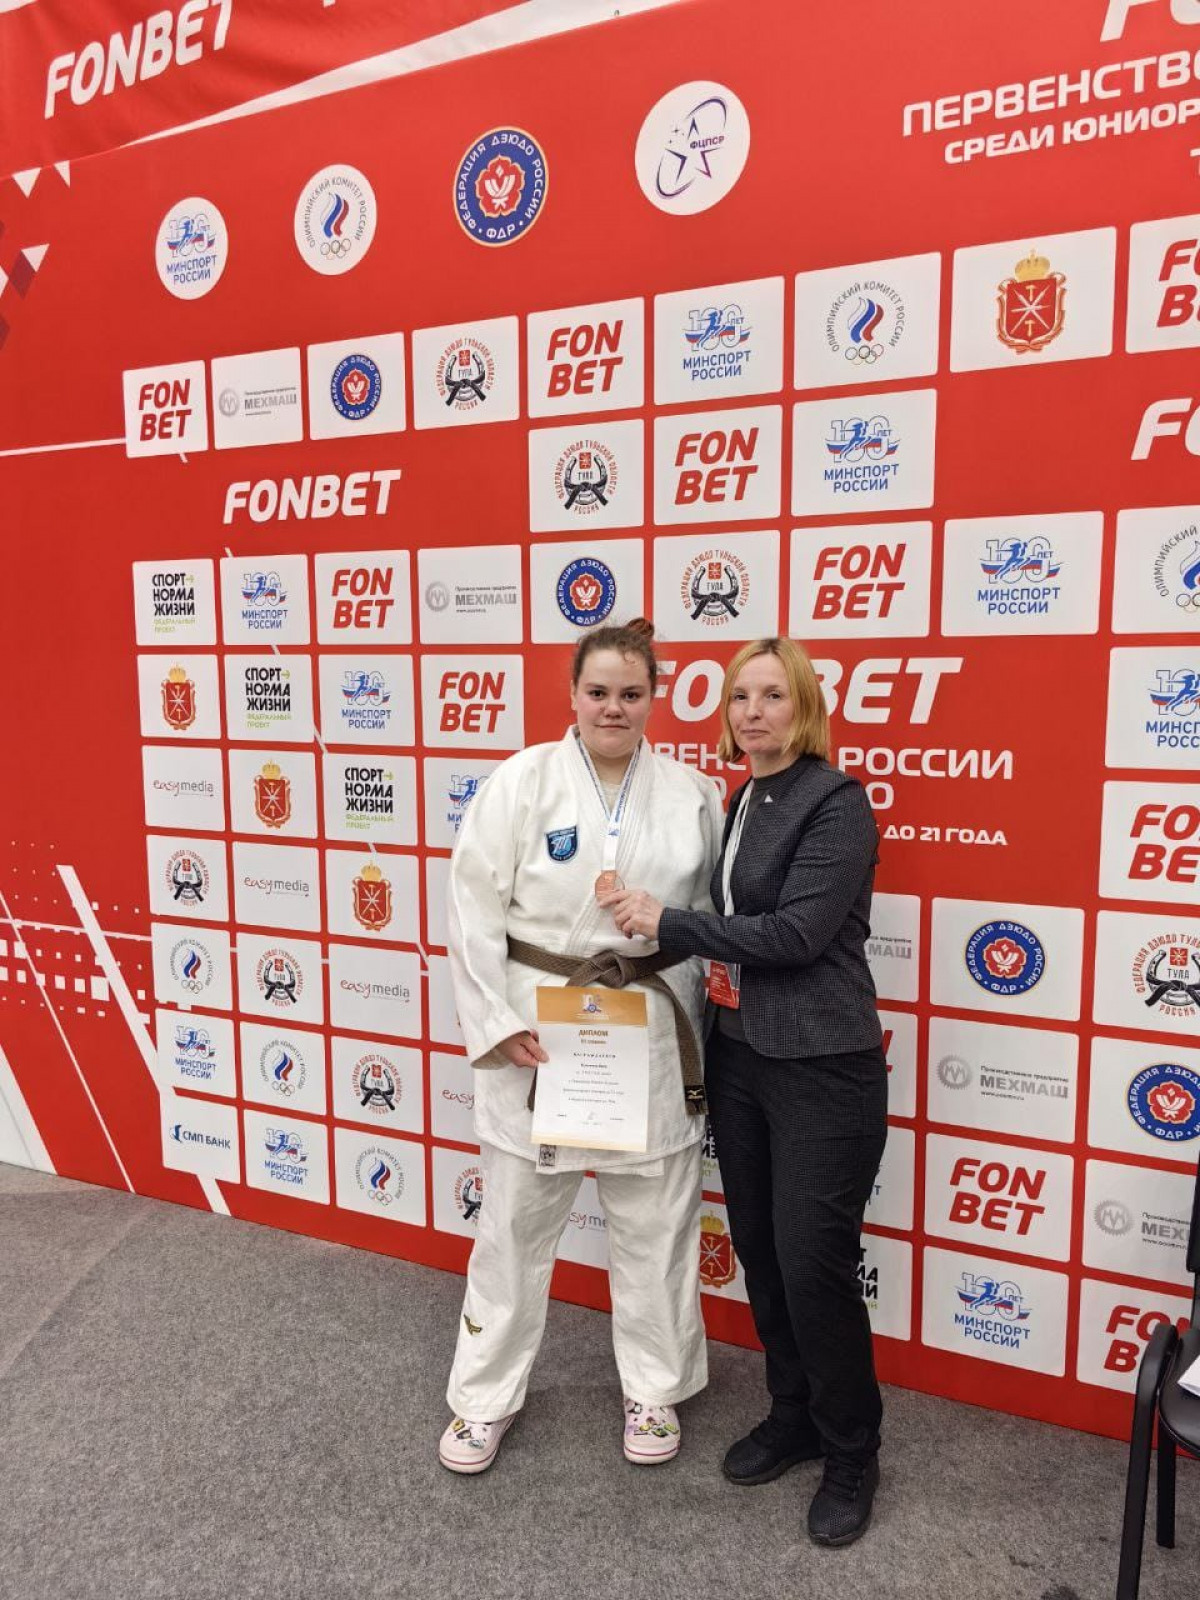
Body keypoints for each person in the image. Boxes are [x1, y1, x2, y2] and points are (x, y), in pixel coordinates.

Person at [605, 637, 887, 1547]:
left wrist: (668, 921)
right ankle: (793, 1414)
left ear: (803, 707)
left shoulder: (837, 801)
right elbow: (732, 929)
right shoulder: (742, 797)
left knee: (812, 1264)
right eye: (739, 697)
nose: (753, 712)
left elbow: (797, 936)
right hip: (741, 1058)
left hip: (823, 1067)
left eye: (771, 695)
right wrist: (637, 948)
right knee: (761, 1251)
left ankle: (852, 1453)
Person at [439, 618, 724, 1474]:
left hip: (651, 1027)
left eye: (631, 693)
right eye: (598, 691)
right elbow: (471, 907)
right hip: (542, 1033)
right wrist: (496, 1022)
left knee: (657, 1225)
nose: (613, 708)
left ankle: (655, 1388)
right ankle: (482, 1399)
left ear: (655, 698)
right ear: (571, 693)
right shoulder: (522, 782)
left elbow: (717, 918)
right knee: (512, 1230)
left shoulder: (693, 794)